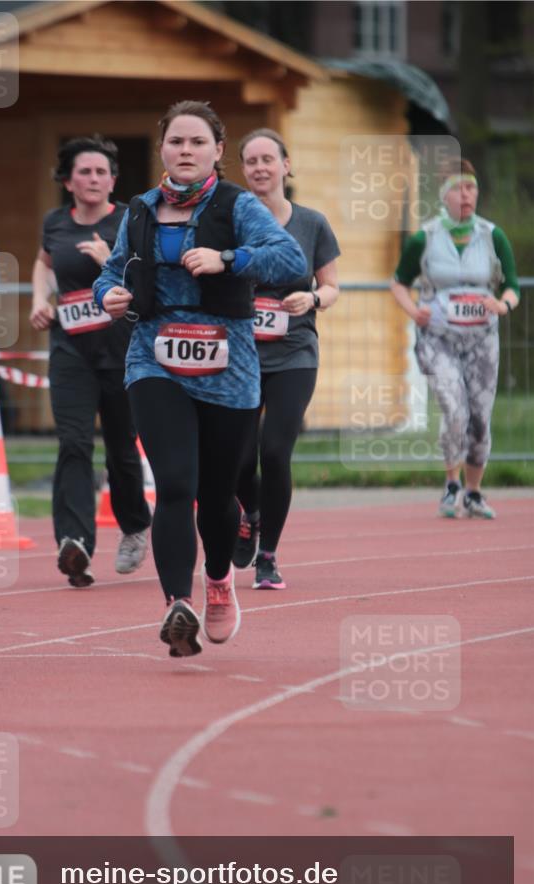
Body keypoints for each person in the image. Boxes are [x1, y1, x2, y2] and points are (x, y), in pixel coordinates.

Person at [94, 101, 308, 657]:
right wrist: (107, 295)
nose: (184, 151)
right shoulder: (139, 207)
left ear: (217, 151)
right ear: (162, 149)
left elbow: (290, 262)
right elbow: (113, 270)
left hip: (228, 366)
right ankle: (175, 606)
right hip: (153, 359)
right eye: (175, 142)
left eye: (196, 143)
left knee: (217, 495)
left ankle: (217, 581)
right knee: (176, 485)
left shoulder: (238, 205)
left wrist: (228, 259)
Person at [30, 135, 152, 587]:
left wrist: (109, 262)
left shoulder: (128, 221)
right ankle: (74, 542)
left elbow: (148, 279)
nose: (94, 178)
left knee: (122, 450)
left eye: (102, 171)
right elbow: (43, 263)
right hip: (71, 351)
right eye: (85, 171)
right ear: (68, 181)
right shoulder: (56, 223)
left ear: (113, 180)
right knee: (75, 443)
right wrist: (39, 300)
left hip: (122, 351)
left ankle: (136, 526)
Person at [232, 128, 340, 589]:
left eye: (268, 159)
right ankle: (250, 513)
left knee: (274, 451)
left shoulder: (311, 224)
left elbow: (332, 286)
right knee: (237, 458)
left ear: (285, 165)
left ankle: (269, 555)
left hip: (294, 353)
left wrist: (312, 300)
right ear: (243, 170)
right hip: (238, 355)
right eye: (251, 161)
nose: (260, 167)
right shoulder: (231, 222)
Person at [390, 158, 520, 519]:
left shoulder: (492, 235)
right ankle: (451, 485)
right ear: (443, 196)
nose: (466, 195)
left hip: (481, 340)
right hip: (439, 339)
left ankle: (474, 492)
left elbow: (511, 285)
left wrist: (503, 304)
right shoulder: (425, 237)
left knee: (479, 417)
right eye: (458, 189)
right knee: (455, 408)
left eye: (471, 188)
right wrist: (414, 310)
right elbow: (398, 282)